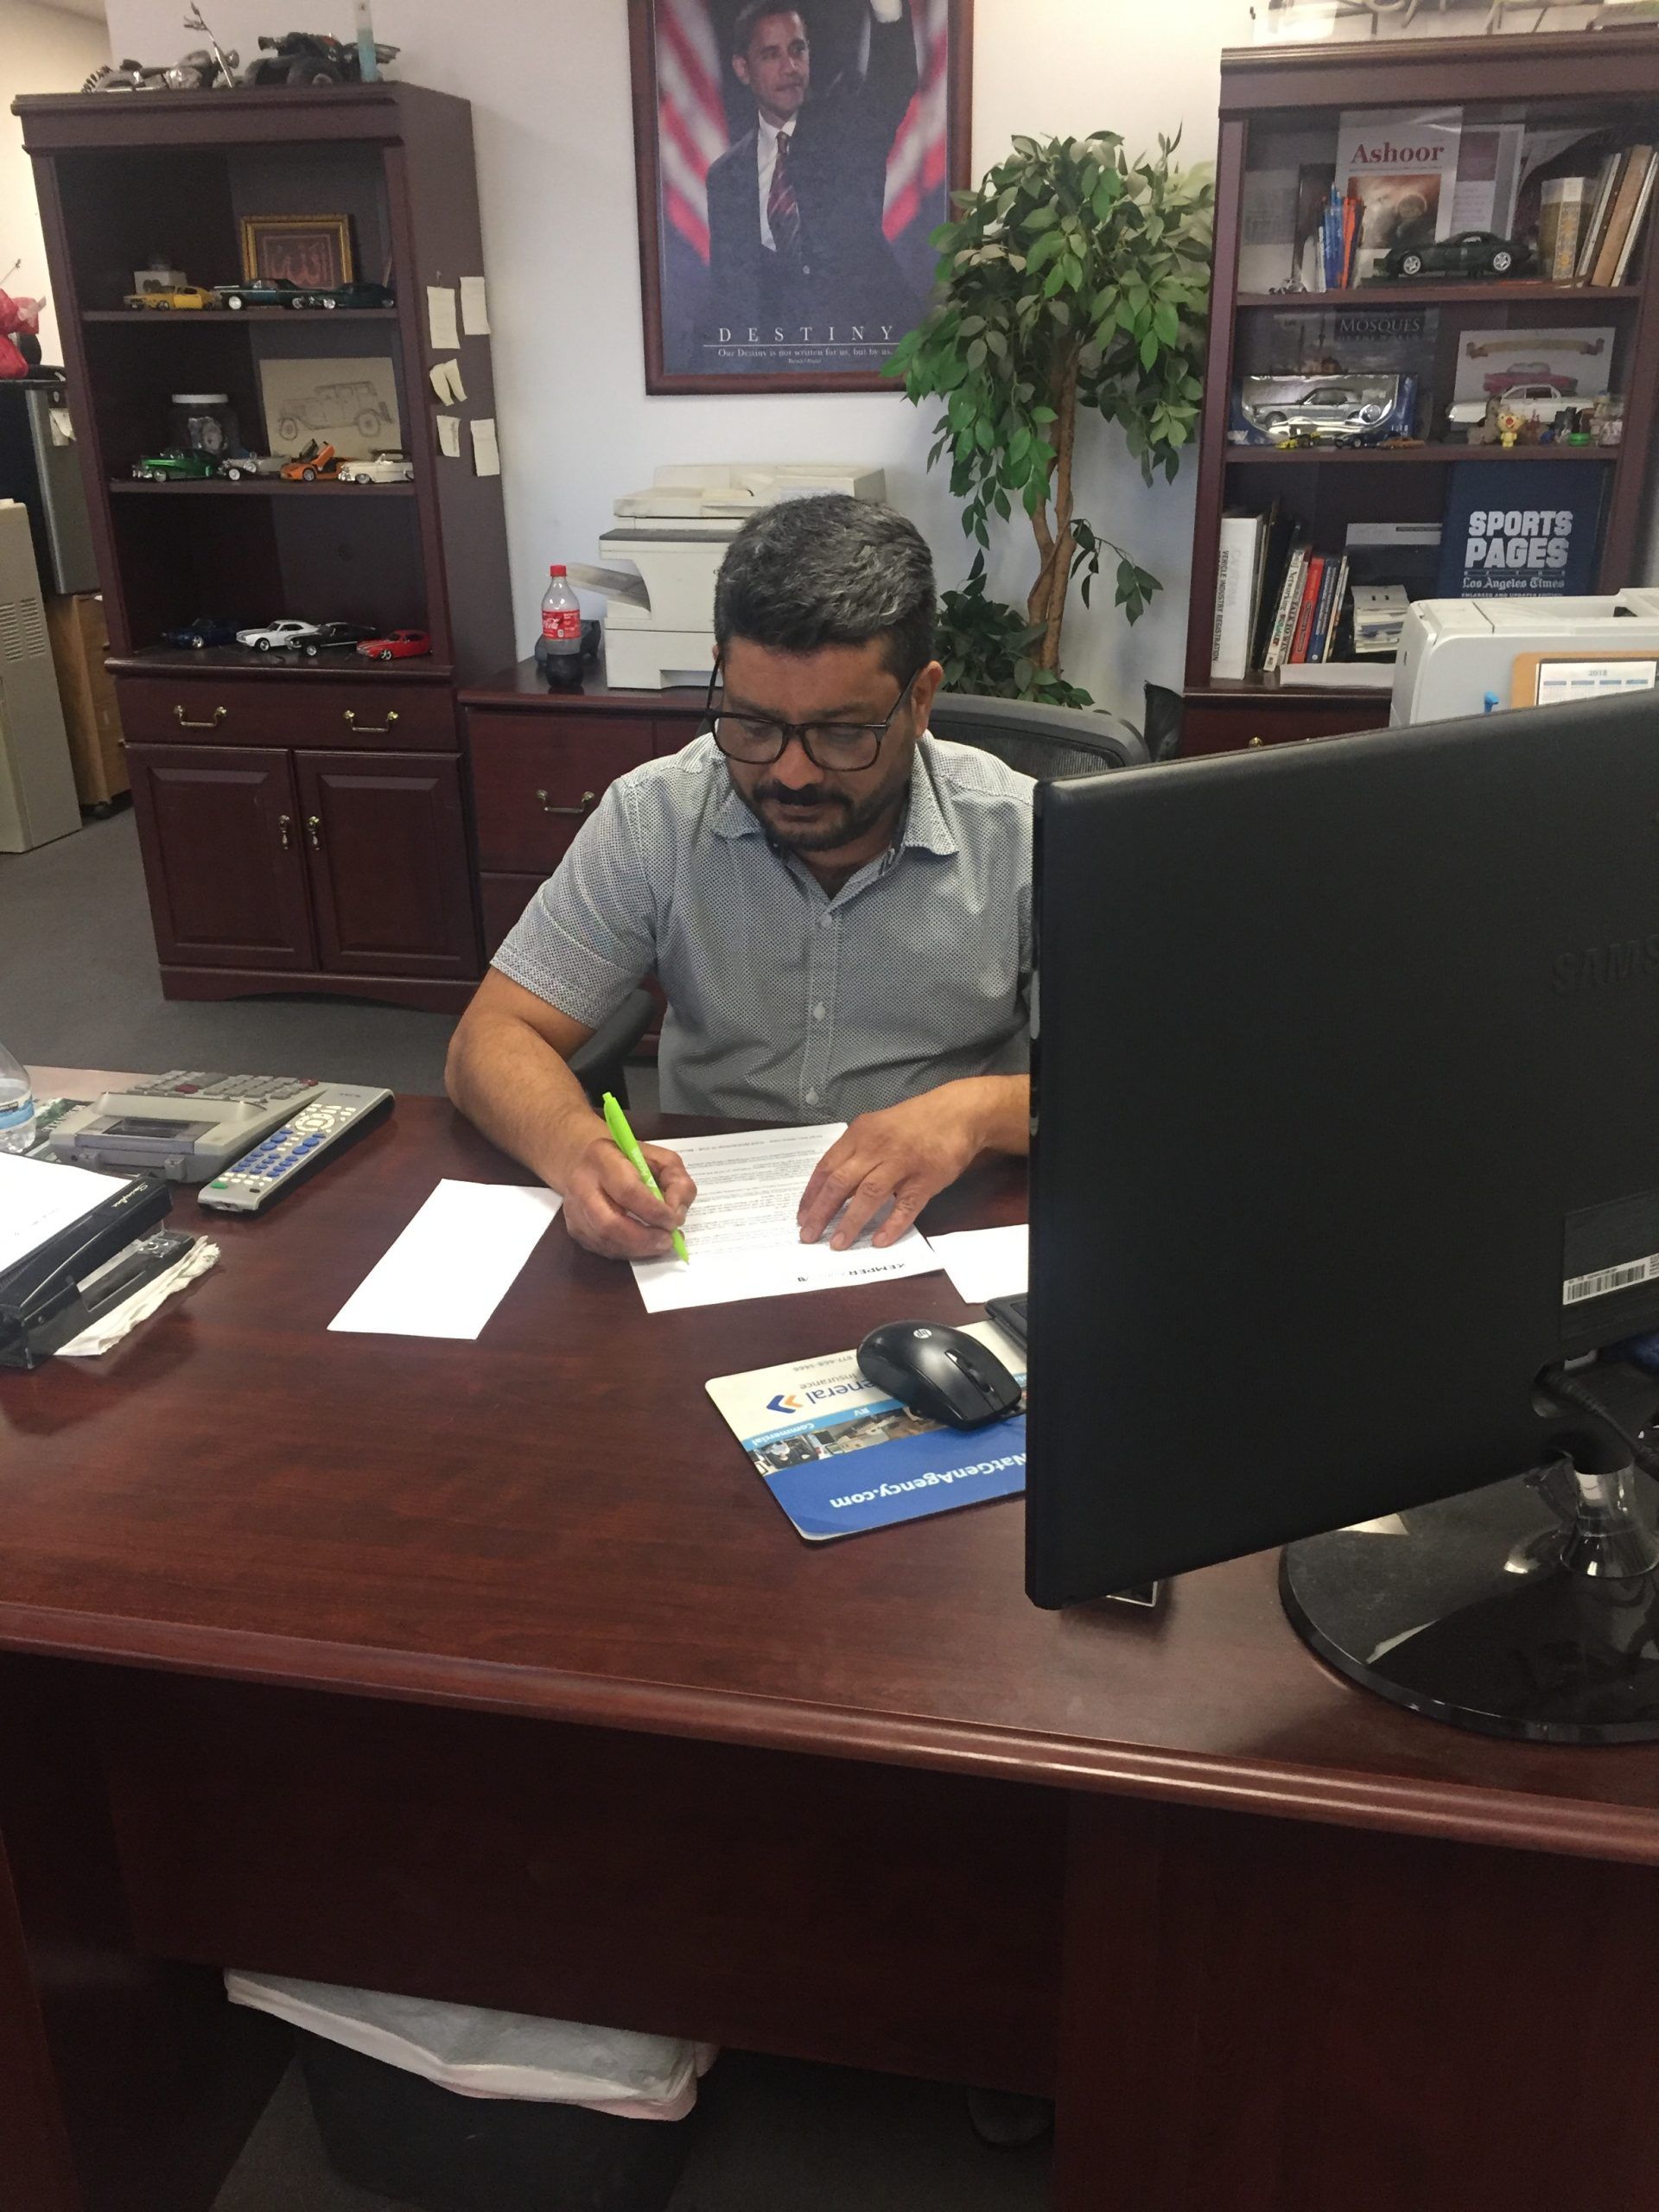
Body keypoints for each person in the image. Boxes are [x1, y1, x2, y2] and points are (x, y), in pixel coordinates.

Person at [445, 496, 1034, 1263]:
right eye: (753, 725)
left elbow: (1147, 1083)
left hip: (944, 1229)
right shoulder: (657, 816)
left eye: (842, 733)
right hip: (708, 1241)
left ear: (919, 700)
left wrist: (978, 1111)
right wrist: (577, 1149)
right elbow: (488, 1039)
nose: (790, 773)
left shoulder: (1021, 834)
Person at [703, 0, 919, 341]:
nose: (790, 66)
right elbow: (731, 296)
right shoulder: (725, 177)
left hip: (869, 358)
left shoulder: (849, 128)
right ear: (743, 69)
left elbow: (893, 82)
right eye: (771, 55)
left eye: (798, 49)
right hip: (781, 370)